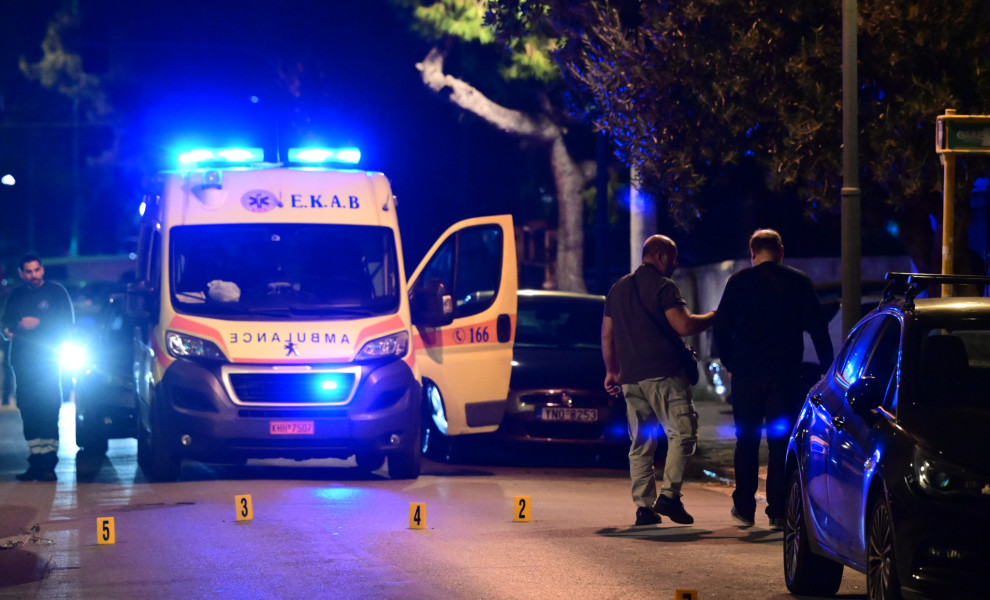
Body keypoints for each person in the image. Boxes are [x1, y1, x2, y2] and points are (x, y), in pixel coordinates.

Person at [713, 229, 833, 529]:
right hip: (785, 375)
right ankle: (778, 511)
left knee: (747, 441)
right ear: (781, 251)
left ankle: (744, 508)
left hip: (746, 375)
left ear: (752, 253)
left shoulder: (738, 282)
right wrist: (826, 367)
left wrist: (730, 363)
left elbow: (721, 327)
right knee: (780, 442)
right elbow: (818, 328)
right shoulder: (798, 281)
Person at [602, 235, 716, 526]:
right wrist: (714, 316)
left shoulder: (617, 289)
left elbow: (607, 334)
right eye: (673, 257)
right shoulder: (664, 287)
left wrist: (612, 371)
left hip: (631, 379)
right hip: (665, 374)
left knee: (641, 443)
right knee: (683, 434)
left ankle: (644, 507)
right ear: (661, 256)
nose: (675, 263)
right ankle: (669, 496)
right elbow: (684, 324)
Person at [1, 254, 74, 482]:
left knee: (48, 408)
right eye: (28, 272)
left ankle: (49, 463)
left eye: (36, 270)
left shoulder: (56, 292)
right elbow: (6, 322)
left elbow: (67, 323)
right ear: (21, 274)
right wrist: (11, 328)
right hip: (22, 362)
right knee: (28, 409)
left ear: (42, 270)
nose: (33, 275)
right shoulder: (16, 295)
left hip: (48, 361)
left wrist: (39, 323)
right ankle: (35, 460)